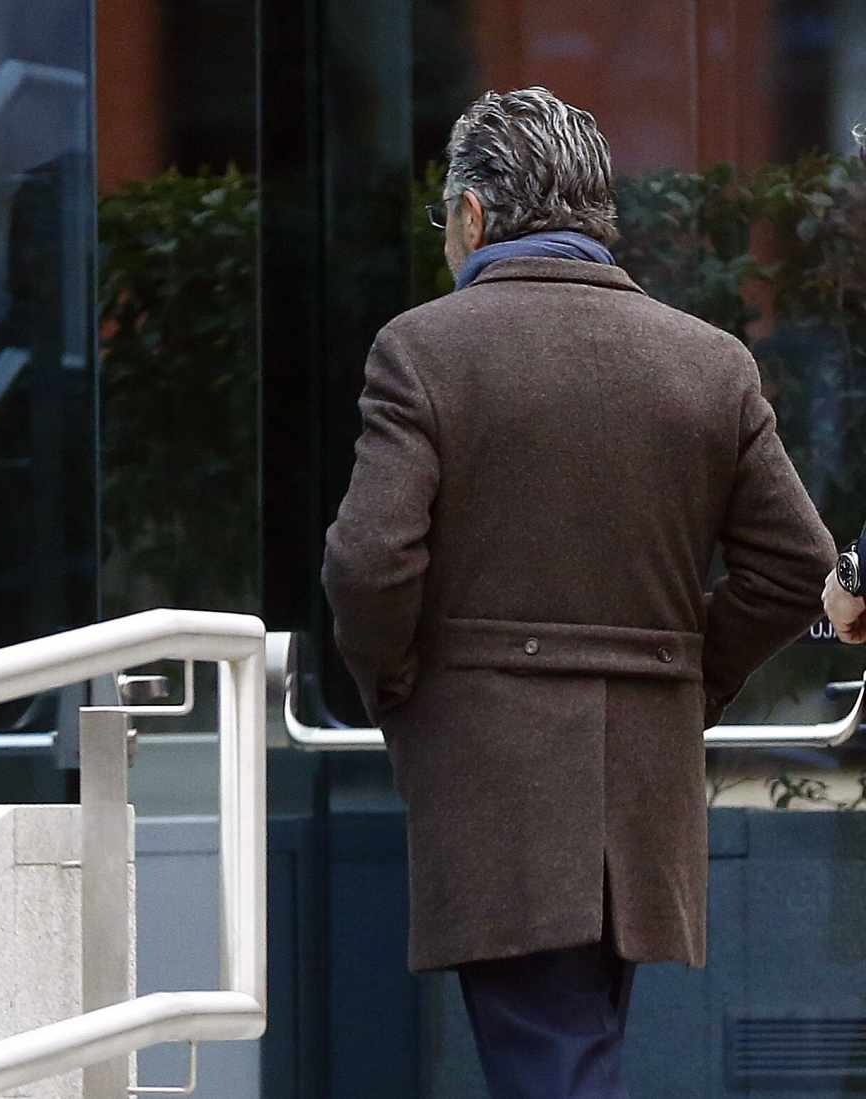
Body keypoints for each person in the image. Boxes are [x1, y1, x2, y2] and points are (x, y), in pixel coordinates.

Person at [322, 87, 833, 1098]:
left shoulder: (423, 351)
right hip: (641, 794)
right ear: (598, 212)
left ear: (471, 216)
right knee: (569, 1048)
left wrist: (404, 689)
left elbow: (367, 564)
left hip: (495, 785)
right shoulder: (712, 364)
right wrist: (682, 677)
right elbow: (793, 566)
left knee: (552, 1065)